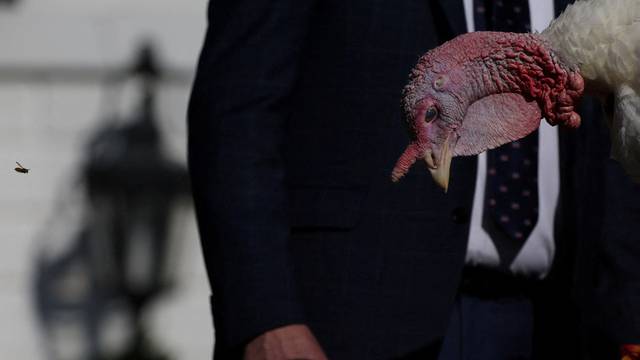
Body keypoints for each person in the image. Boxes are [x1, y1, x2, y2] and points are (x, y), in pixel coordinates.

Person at [187, 0, 640, 359]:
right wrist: (265, 320)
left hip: (561, 322)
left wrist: (629, 314)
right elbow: (235, 114)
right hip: (350, 318)